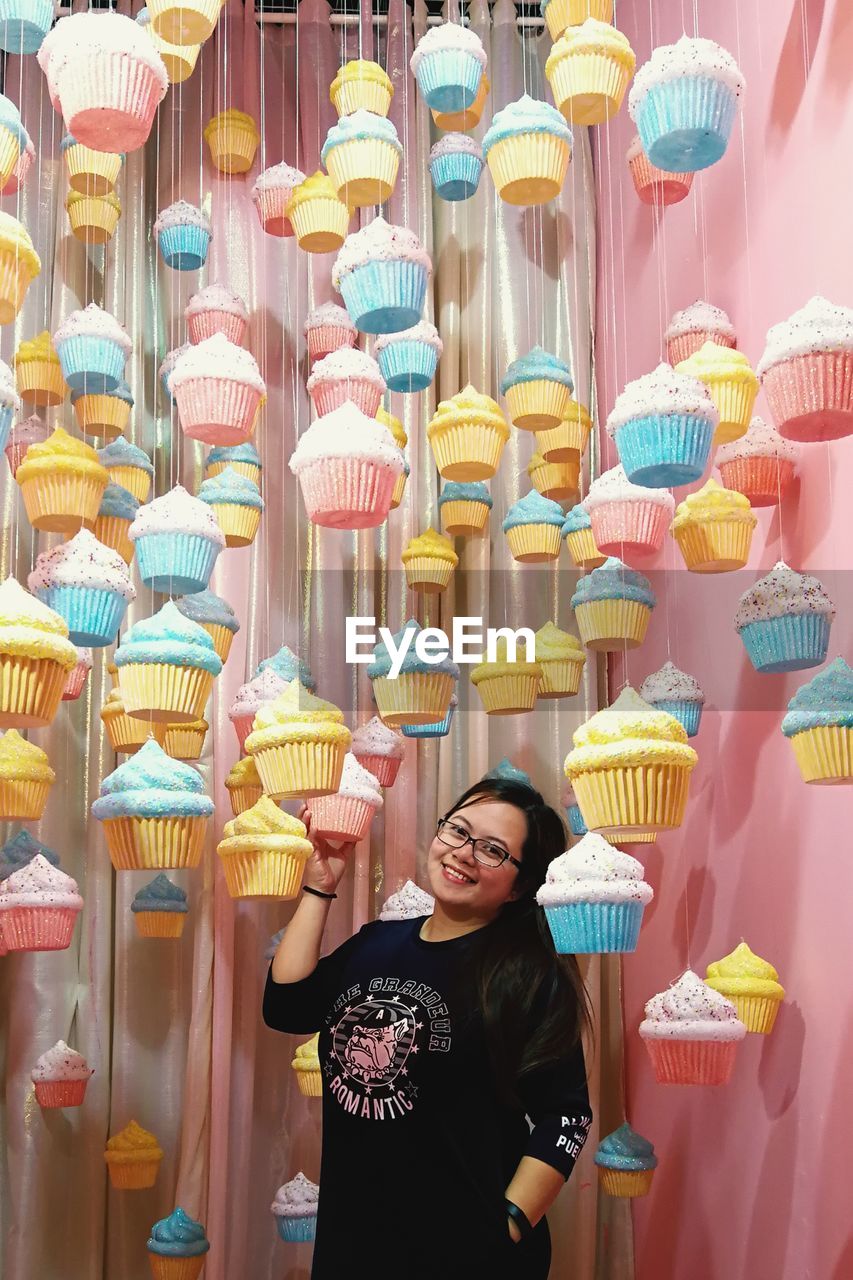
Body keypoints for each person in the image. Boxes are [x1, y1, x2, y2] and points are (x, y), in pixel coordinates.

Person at [263, 775, 592, 1279]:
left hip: (469, 1256)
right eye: (457, 831)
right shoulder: (376, 944)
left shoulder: (527, 976)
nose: (463, 853)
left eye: (492, 851)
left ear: (520, 886)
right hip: (353, 1244)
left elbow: (565, 1116)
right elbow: (286, 1006)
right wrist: (320, 885)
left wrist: (506, 1224)